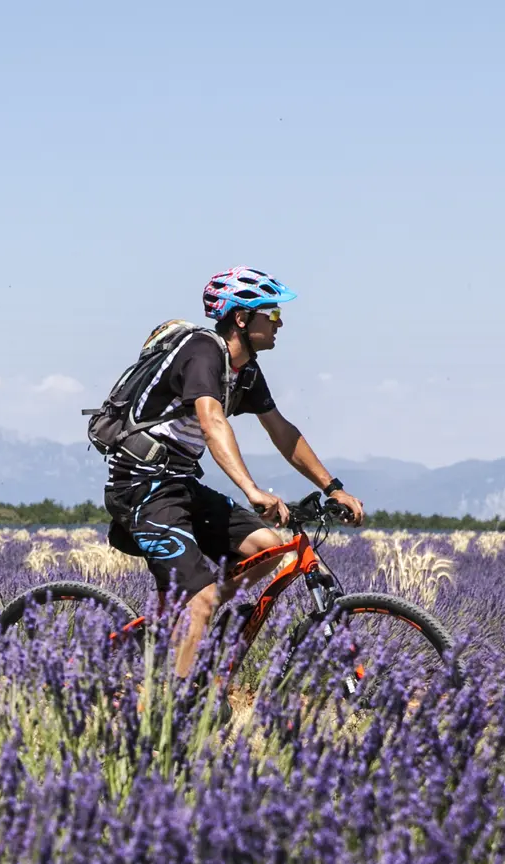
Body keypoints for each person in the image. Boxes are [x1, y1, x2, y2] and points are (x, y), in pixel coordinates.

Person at [103, 266, 364, 675]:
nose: (279, 323)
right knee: (200, 598)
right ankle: (176, 700)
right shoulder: (202, 352)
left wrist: (332, 487)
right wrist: (251, 490)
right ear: (241, 318)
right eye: (272, 314)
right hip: (141, 486)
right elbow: (212, 422)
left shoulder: (246, 371)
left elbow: (282, 431)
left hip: (180, 483)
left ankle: (194, 624)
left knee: (265, 547)